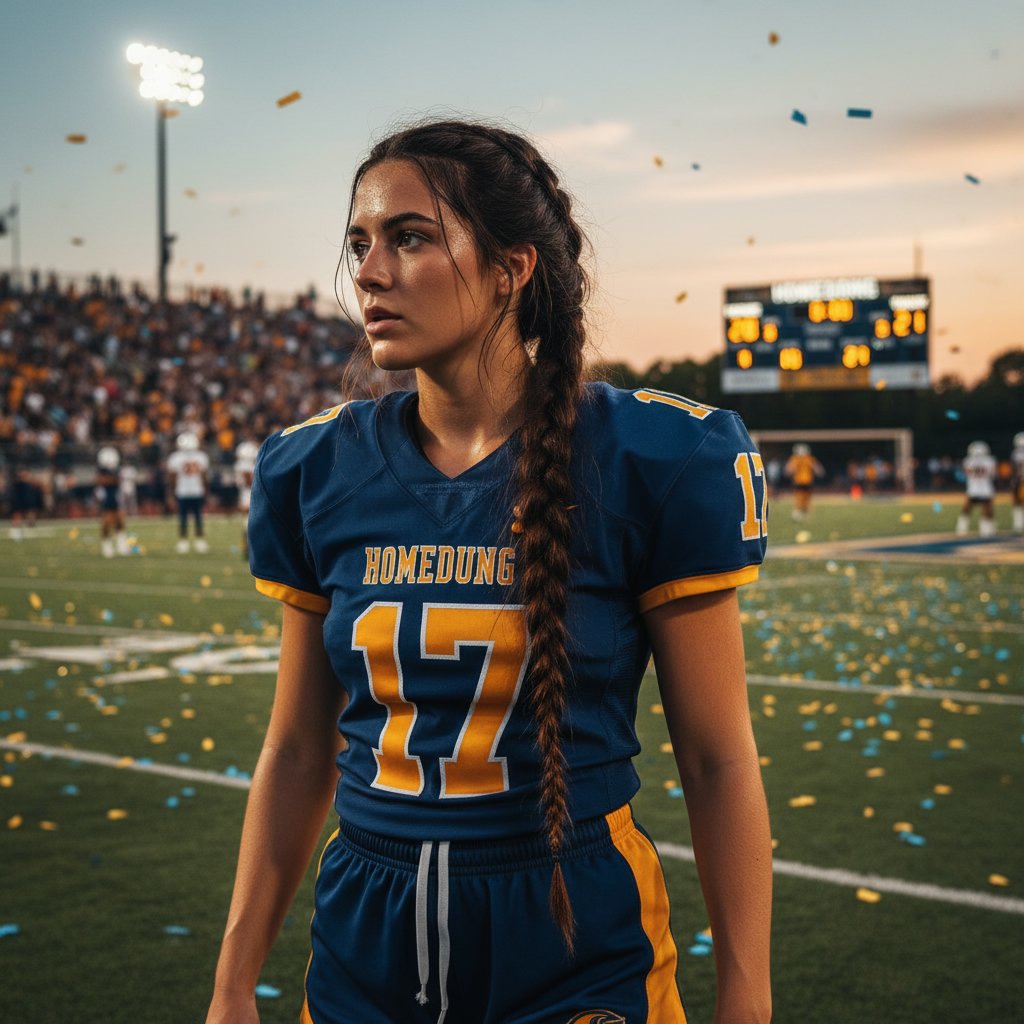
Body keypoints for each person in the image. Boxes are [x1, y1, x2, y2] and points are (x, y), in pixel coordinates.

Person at [206, 119, 772, 1024]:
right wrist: (233, 985)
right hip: (364, 928)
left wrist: (748, 996)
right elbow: (298, 748)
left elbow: (715, 759)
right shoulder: (316, 468)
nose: (370, 271)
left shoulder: (650, 457)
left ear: (511, 269)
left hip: (572, 929)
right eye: (359, 243)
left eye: (410, 236)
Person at [166, 431, 209, 553]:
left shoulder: (175, 457)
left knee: (186, 517)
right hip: (192, 490)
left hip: (185, 491)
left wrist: (170, 493)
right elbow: (205, 478)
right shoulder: (201, 456)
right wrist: (206, 490)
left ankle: (185, 541)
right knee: (195, 517)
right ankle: (196, 541)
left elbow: (171, 478)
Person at [957, 440, 997, 536]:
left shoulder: (968, 461)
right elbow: (993, 475)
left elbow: (965, 473)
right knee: (987, 511)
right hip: (986, 489)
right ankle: (987, 532)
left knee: (966, 510)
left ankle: (961, 530)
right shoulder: (991, 461)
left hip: (973, 489)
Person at [95, 446, 129, 557]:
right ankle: (106, 545)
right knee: (107, 520)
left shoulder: (116, 470)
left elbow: (117, 481)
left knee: (119, 519)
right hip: (107, 495)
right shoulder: (102, 471)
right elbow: (103, 481)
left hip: (115, 495)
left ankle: (121, 544)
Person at [783, 442, 824, 520]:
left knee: (803, 497)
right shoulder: (804, 458)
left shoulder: (803, 458)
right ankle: (801, 511)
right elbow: (816, 467)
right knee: (802, 497)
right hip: (802, 481)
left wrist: (787, 472)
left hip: (803, 481)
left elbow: (789, 468)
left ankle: (802, 511)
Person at [233, 438, 259, 559]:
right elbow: (249, 482)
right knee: (251, 524)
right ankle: (249, 550)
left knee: (247, 524)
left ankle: (247, 549)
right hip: (249, 495)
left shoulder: (239, 465)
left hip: (245, 495)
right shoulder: (245, 466)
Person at [1012, 432, 1024, 535]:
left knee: (1018, 503)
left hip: (1022, 481)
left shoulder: (1018, 453)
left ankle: (1018, 526)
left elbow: (1018, 467)